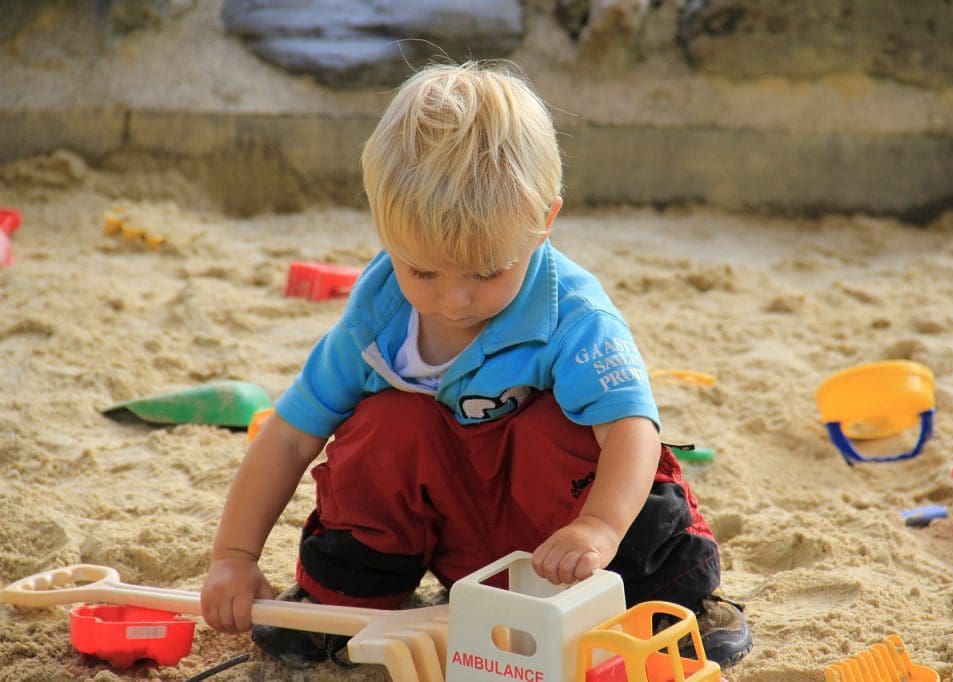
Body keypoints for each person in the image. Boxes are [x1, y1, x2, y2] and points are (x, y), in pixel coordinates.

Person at [199, 60, 753, 669]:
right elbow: (288, 435)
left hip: (575, 537)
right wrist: (234, 556)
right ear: (385, 230)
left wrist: (597, 525)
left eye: (487, 272)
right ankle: (345, 602)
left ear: (544, 222)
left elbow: (631, 429)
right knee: (387, 425)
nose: (454, 299)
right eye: (423, 270)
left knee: (558, 427)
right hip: (460, 538)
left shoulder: (570, 311)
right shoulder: (376, 319)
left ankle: (672, 600)